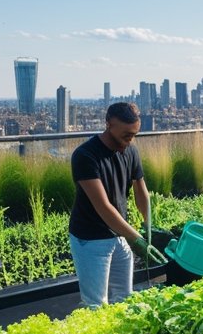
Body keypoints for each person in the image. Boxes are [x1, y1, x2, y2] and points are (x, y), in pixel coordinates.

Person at [69, 102, 164, 308]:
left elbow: (141, 192)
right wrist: (137, 240)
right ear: (109, 124)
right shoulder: (85, 156)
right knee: (95, 304)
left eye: (134, 134)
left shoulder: (130, 151)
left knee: (124, 298)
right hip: (90, 238)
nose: (130, 140)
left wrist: (148, 225)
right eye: (126, 135)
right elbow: (103, 206)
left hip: (119, 235)